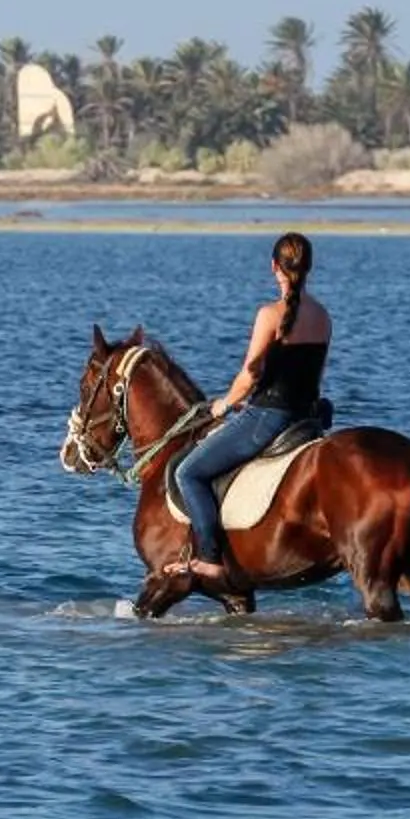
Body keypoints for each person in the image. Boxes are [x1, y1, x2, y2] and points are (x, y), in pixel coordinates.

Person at [165, 232, 331, 587]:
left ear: (274, 267)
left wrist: (222, 406)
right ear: (309, 268)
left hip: (268, 417)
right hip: (307, 419)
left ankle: (209, 559)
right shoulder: (323, 316)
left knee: (188, 473)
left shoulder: (269, 315)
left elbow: (249, 376)